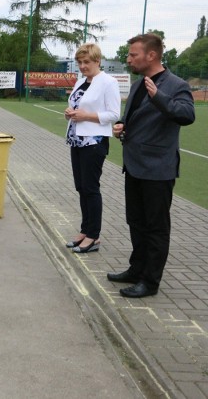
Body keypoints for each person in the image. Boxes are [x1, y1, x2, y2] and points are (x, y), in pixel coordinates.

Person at [107, 33, 195, 298]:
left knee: (156, 227)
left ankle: (150, 281)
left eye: (133, 54)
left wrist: (159, 97)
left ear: (151, 55)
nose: (128, 59)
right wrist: (122, 126)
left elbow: (186, 115)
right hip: (134, 165)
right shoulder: (137, 85)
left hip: (158, 168)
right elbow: (132, 117)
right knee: (136, 221)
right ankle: (136, 269)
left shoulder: (176, 85)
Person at [63, 43, 120, 254]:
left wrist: (86, 116)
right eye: (79, 62)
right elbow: (78, 107)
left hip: (94, 142)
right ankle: (84, 231)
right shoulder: (81, 81)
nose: (82, 66)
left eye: (86, 62)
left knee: (91, 188)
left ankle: (93, 236)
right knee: (81, 187)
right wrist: (70, 112)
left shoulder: (108, 82)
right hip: (77, 140)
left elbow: (113, 114)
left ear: (97, 61)